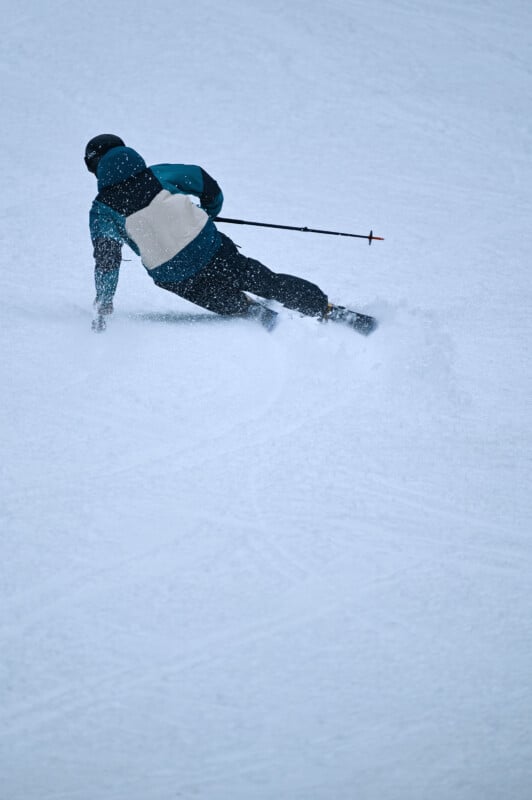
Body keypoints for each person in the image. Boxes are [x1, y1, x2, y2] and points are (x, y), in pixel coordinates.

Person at [85, 134, 376, 334]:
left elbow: (107, 261)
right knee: (265, 280)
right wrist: (209, 211)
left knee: (220, 299)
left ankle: (252, 312)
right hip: (210, 249)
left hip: (174, 275)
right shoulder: (159, 173)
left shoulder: (101, 212)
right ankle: (326, 311)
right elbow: (204, 181)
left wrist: (104, 302)